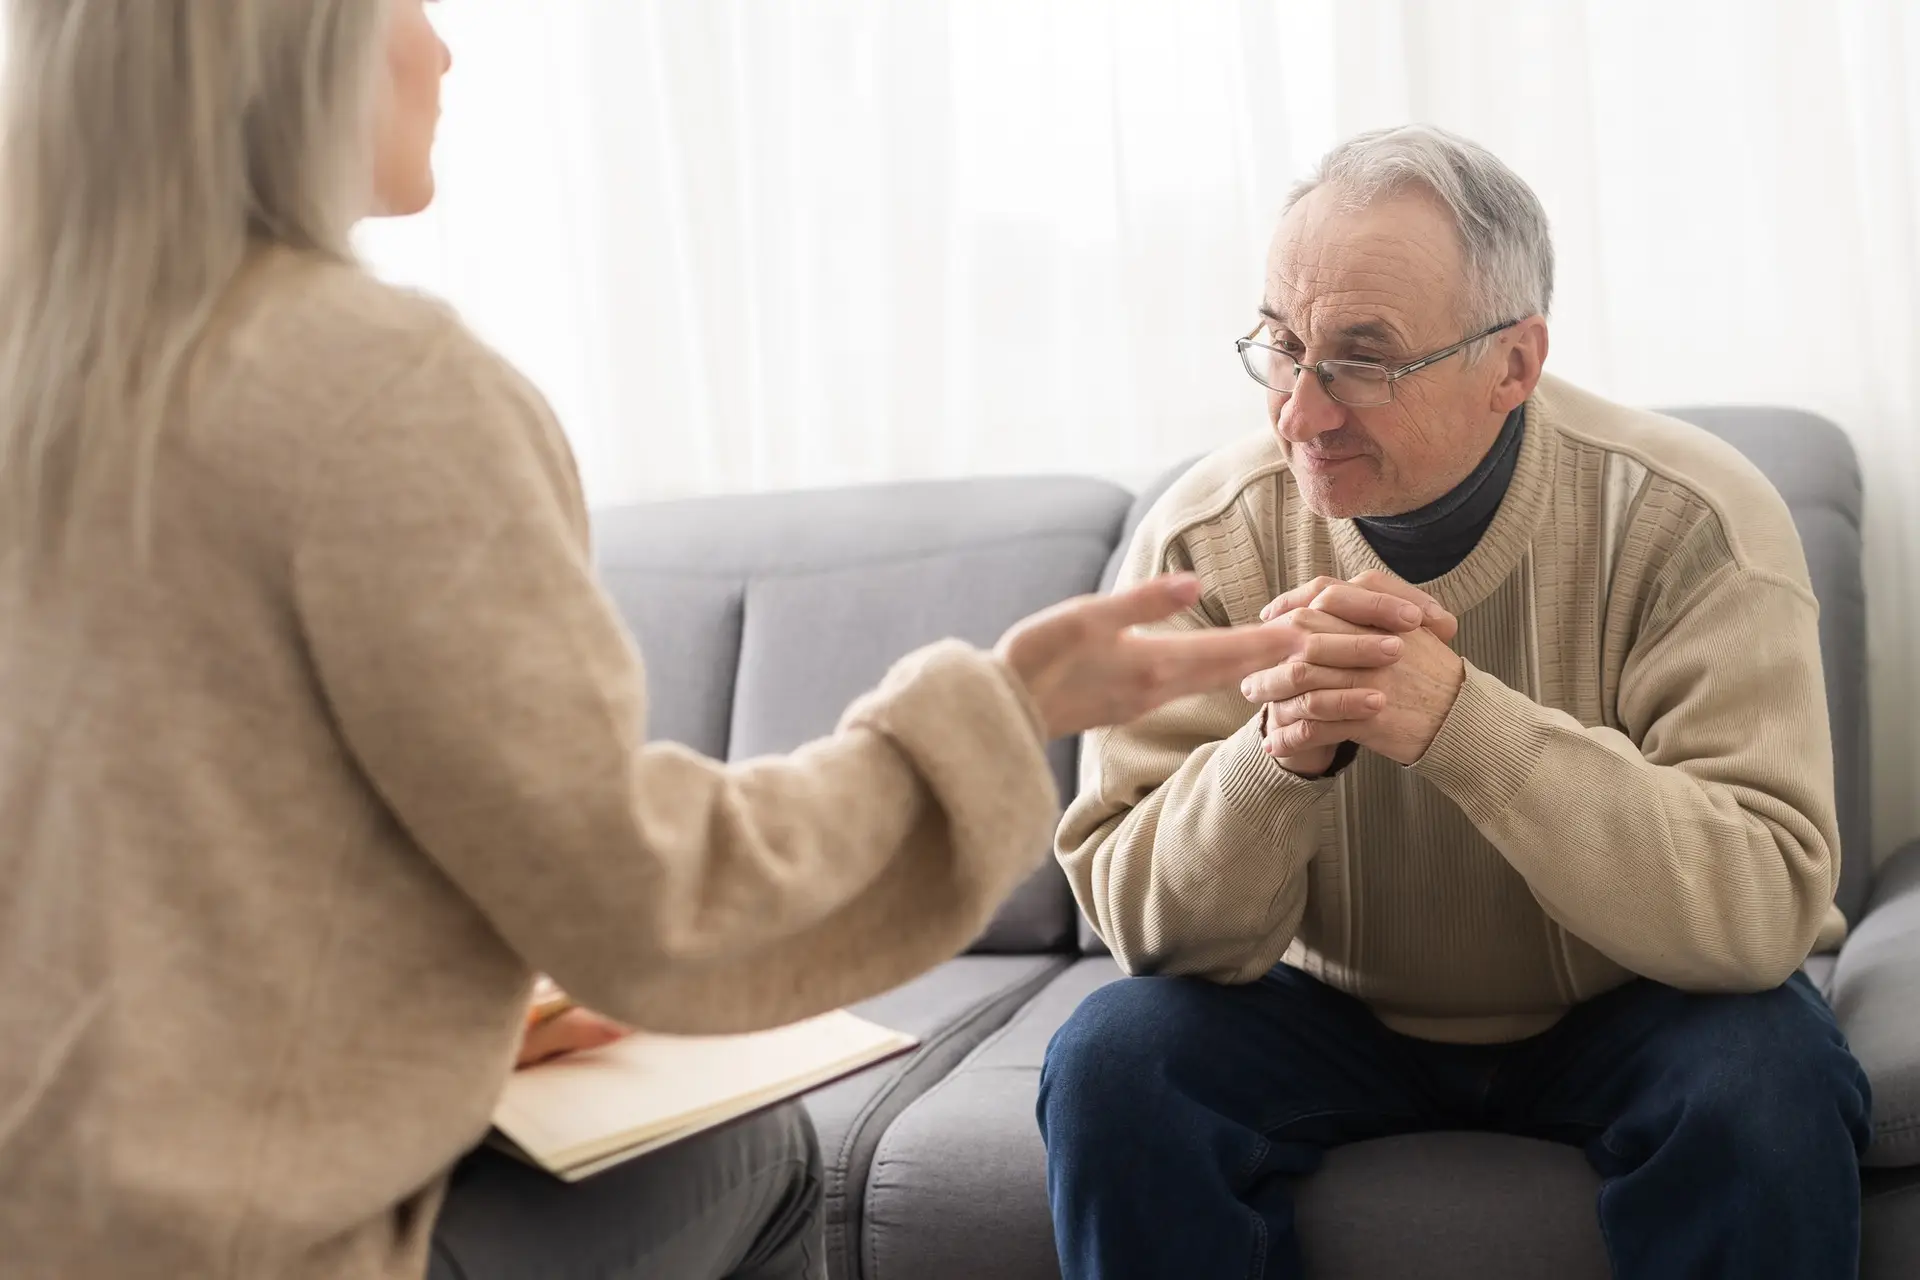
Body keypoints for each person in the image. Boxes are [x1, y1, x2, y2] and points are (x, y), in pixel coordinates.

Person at [0, 4, 1307, 1279]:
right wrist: (1007, 702)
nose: (444, 47)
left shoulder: (46, 355)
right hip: (239, 1244)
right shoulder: (372, 388)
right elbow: (656, 908)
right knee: (768, 1156)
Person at [1040, 124, 1874, 1280]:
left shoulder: (1695, 521)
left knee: (1768, 1074)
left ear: (1515, 364)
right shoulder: (1200, 540)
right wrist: (1273, 758)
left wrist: (1463, 726)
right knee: (1113, 1058)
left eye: (1364, 359)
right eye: (1284, 348)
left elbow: (1766, 904)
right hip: (1328, 1017)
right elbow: (1141, 922)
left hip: (1638, 1009)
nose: (1302, 414)